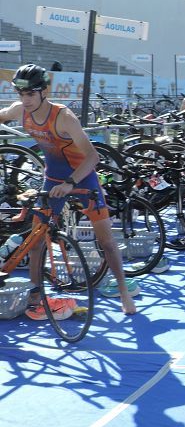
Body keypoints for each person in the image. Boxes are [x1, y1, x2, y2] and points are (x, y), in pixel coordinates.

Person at [0, 64, 138, 314]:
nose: (25, 99)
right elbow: (2, 115)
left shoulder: (63, 117)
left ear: (44, 91)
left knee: (106, 241)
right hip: (52, 179)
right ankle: (35, 294)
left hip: (82, 178)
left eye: (30, 94)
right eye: (21, 94)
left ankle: (124, 293)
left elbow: (92, 157)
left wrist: (70, 183)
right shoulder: (20, 110)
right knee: (37, 239)